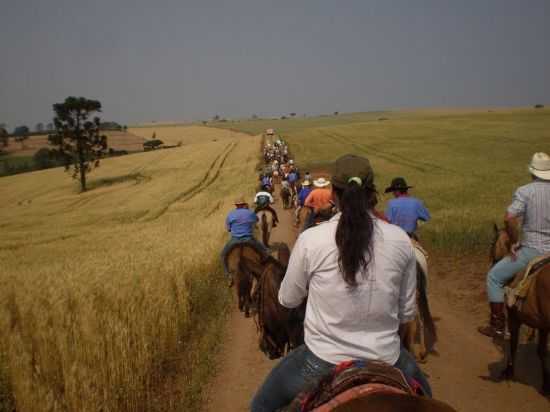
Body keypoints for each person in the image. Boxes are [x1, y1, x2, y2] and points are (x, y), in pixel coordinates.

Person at [251, 154, 431, 412]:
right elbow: (406, 313)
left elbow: (288, 299)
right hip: (388, 359)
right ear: (372, 193)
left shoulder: (311, 240)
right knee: (427, 397)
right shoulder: (401, 240)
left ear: (334, 193)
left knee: (261, 405)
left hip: (321, 359)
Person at [478, 152, 550, 338]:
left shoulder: (525, 191)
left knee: (494, 277)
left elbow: (509, 218)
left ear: (532, 172)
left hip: (533, 250)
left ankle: (498, 325)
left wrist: (515, 240)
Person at [220, 197, 266, 286]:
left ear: (236, 205)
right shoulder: (250, 212)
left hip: (235, 240)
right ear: (244, 204)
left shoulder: (230, 214)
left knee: (222, 255)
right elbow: (256, 220)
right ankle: (264, 273)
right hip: (249, 239)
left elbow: (228, 229)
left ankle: (229, 276)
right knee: (265, 252)